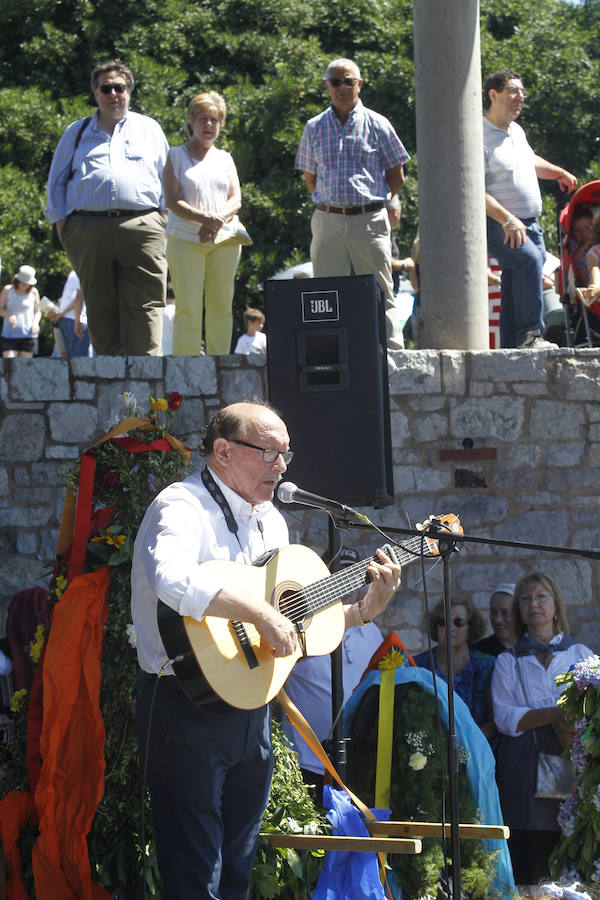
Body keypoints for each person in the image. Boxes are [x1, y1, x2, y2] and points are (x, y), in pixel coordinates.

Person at [130, 400, 401, 899]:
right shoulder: (181, 506)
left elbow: (290, 632)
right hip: (183, 706)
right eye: (269, 453)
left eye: (286, 455)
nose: (280, 466)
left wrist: (362, 611)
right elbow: (171, 579)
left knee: (238, 869)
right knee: (195, 876)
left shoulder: (271, 522)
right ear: (224, 451)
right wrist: (257, 612)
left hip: (251, 709)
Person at [45, 60, 169, 357]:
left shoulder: (149, 129)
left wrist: (161, 220)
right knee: (99, 308)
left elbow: (169, 179)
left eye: (120, 87)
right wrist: (66, 231)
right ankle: (110, 384)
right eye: (106, 88)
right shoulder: (76, 132)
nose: (114, 93)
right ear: (95, 92)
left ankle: (148, 381)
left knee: (147, 305)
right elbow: (55, 184)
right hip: (87, 230)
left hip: (143, 226)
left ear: (129, 91)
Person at [295, 57, 410, 351]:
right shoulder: (314, 127)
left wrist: (373, 200)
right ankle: (329, 353)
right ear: (327, 87)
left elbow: (397, 175)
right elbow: (310, 178)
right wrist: (334, 203)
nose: (342, 87)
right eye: (336, 82)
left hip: (368, 218)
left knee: (380, 289)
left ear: (359, 84)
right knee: (325, 294)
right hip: (328, 218)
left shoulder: (378, 123)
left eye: (349, 81)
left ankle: (393, 353)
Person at [492, 572, 593, 886]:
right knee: (529, 857)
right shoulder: (508, 661)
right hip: (523, 771)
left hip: (571, 766)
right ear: (520, 610)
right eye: (526, 598)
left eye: (540, 597)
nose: (533, 604)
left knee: (569, 851)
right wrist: (553, 713)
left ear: (556, 606)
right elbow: (506, 718)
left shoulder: (581, 656)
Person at [483, 69, 577, 349]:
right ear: (493, 94)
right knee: (529, 262)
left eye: (523, 92)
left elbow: (530, 161)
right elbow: (472, 188)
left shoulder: (516, 131)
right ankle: (532, 334)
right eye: (513, 91)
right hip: (500, 223)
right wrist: (508, 219)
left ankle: (512, 347)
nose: (520, 97)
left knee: (515, 277)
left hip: (530, 223)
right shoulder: (477, 134)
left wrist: (558, 172)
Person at [281, 546, 383, 795]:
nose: (347, 586)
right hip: (305, 763)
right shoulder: (299, 627)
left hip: (356, 764)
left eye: (355, 578)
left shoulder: (373, 633)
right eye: (339, 577)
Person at [163, 91, 243, 356]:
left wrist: (217, 220)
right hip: (186, 238)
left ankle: (220, 361)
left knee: (222, 304)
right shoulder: (175, 155)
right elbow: (172, 201)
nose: (208, 125)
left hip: (225, 239)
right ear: (191, 122)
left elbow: (236, 198)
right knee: (188, 306)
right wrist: (204, 218)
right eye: (202, 119)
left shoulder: (225, 158)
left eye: (214, 119)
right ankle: (185, 365)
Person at [413, 597, 495, 737]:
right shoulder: (418, 665)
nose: (450, 628)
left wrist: (469, 745)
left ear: (471, 627)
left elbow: (495, 721)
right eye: (443, 622)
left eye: (459, 622)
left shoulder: (487, 666)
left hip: (478, 748)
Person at [46, 270, 90, 358]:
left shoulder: (73, 273)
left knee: (68, 359)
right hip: (76, 320)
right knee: (80, 360)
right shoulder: (85, 272)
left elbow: (68, 298)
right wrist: (77, 321)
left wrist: (61, 313)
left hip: (64, 320)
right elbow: (78, 297)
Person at [0, 265, 41, 358]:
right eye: (23, 283)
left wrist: (35, 323)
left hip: (28, 335)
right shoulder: (8, 290)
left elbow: (37, 311)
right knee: (9, 364)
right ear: (17, 281)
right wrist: (9, 315)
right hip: (9, 335)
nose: (25, 286)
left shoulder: (34, 292)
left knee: (24, 367)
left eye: (28, 284)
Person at [471, 583, 517, 657]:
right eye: (493, 612)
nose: (497, 620)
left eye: (505, 613)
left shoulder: (534, 650)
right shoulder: (478, 652)